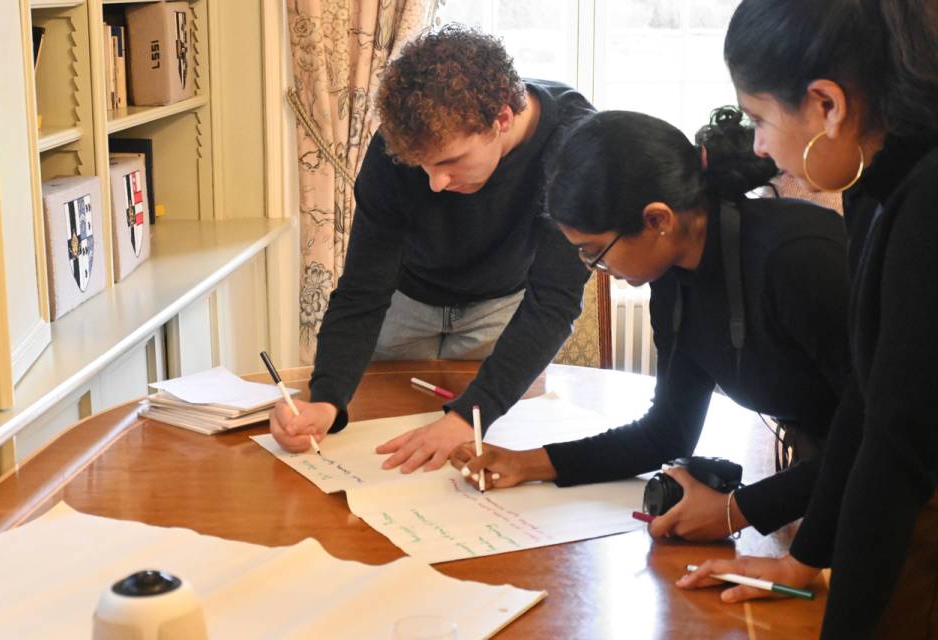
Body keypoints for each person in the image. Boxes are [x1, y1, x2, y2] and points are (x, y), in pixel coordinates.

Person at [451, 107, 852, 542]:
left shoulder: (799, 257)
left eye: (594, 252)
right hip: (825, 480)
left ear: (658, 219)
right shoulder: (673, 278)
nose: (592, 268)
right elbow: (667, 433)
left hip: (885, 483)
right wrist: (525, 463)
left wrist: (737, 511)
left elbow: (875, 429)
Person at [677, 1, 938, 637]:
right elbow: (870, 398)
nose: (758, 144)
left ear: (827, 105)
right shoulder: (878, 179)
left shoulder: (926, 200)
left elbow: (896, 449)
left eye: (759, 117)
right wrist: (803, 559)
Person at [269, 25, 592, 473]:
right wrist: (326, 400)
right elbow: (363, 289)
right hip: (406, 302)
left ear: (502, 119)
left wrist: (466, 416)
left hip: (504, 310)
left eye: (449, 163)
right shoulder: (396, 146)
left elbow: (554, 302)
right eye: (421, 166)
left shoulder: (575, 145)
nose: (435, 183)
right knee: (380, 445)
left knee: (485, 460)